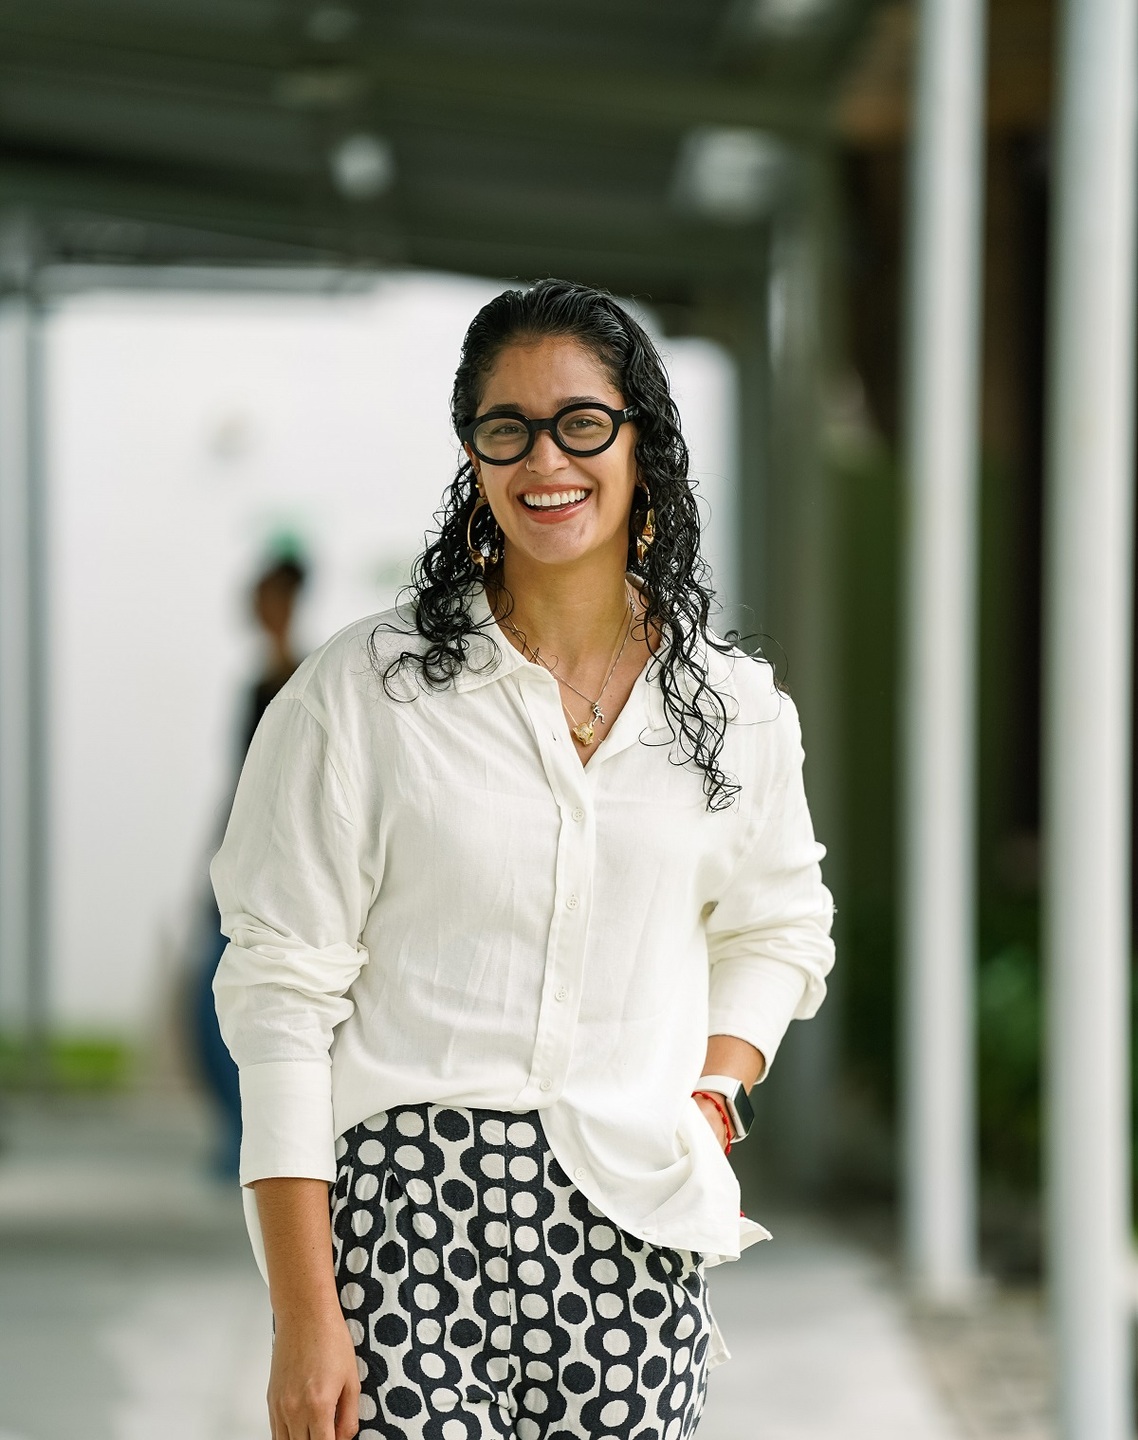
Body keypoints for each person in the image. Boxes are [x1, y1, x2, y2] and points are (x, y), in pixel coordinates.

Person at [211, 279, 835, 1440]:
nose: (547, 458)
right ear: (474, 454)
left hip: (635, 1229)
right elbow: (280, 997)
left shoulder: (735, 710)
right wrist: (304, 1315)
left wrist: (712, 1088)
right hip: (405, 1234)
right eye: (510, 428)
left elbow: (779, 924)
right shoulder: (363, 695)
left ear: (641, 440)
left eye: (582, 423)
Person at [191, 551, 308, 1177]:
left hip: (280, 866)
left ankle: (257, 1140)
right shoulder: (258, 681)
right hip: (240, 855)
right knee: (213, 1002)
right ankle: (240, 1135)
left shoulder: (303, 681)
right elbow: (240, 784)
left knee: (254, 1003)